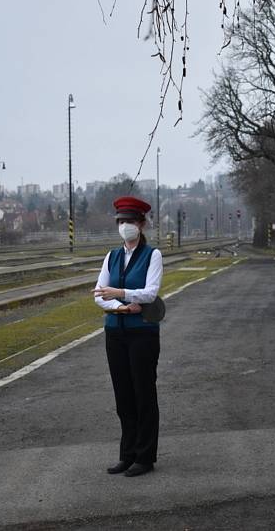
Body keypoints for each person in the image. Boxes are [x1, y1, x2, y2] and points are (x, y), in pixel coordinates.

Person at [92, 196, 163, 478]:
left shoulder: (153, 255)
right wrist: (121, 306)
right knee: (123, 397)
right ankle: (127, 454)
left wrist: (119, 293)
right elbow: (99, 295)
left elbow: (150, 293)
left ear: (142, 224)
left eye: (130, 221)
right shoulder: (111, 256)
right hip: (115, 333)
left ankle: (145, 456)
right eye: (121, 222)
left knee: (143, 394)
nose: (125, 226)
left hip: (143, 334)